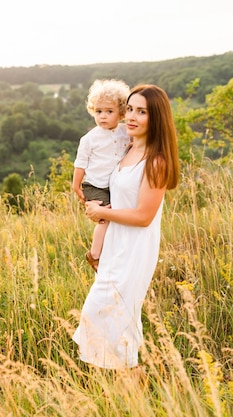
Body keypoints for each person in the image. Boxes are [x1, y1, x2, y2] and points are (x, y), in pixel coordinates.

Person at [72, 84, 180, 373]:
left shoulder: (156, 161)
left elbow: (144, 216)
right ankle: (126, 390)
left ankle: (133, 382)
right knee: (108, 315)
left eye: (141, 112)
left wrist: (101, 212)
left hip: (135, 248)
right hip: (116, 245)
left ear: (155, 118)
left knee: (109, 313)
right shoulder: (127, 148)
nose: (131, 116)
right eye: (129, 108)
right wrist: (91, 198)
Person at [72, 79, 130, 273]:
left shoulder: (125, 132)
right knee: (105, 218)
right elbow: (81, 163)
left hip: (115, 185)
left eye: (109, 111)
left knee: (118, 217)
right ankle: (95, 255)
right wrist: (76, 185)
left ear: (121, 112)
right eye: (98, 111)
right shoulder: (89, 139)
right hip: (95, 185)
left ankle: (114, 252)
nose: (103, 116)